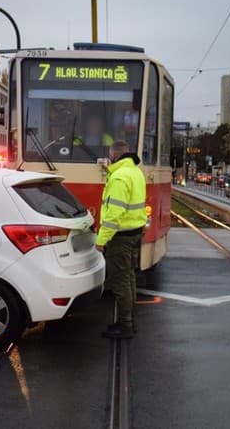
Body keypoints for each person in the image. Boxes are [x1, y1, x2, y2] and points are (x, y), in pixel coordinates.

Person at [95, 140, 147, 339]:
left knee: (120, 281)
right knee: (129, 278)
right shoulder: (136, 172)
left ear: (114, 156)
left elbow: (113, 215)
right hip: (135, 233)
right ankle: (129, 321)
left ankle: (125, 325)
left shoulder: (119, 177)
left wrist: (101, 240)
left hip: (121, 237)